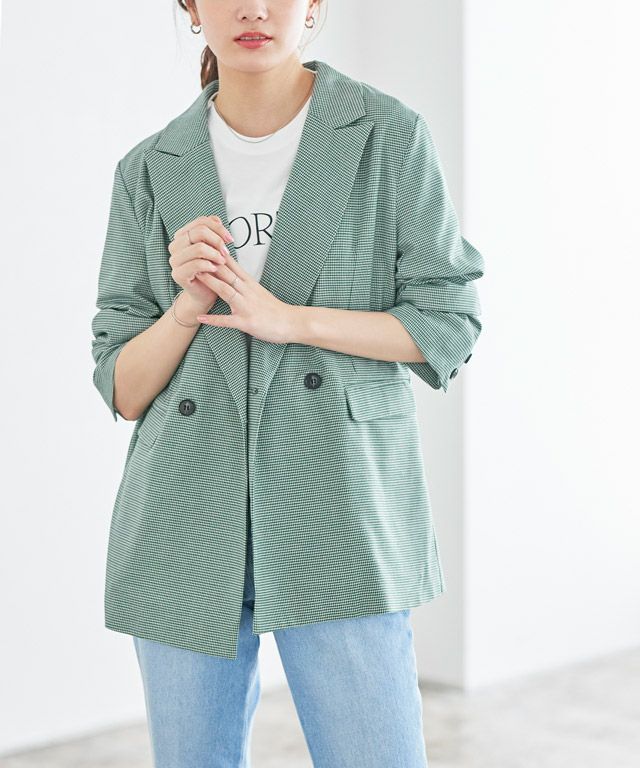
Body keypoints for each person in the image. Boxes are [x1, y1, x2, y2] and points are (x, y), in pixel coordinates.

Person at [90, 1, 484, 766]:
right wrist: (186, 307)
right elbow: (123, 385)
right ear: (190, 7)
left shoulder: (385, 136)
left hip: (337, 502)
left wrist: (292, 321)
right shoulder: (150, 166)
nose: (253, 8)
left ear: (315, 5)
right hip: (184, 513)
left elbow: (448, 321)